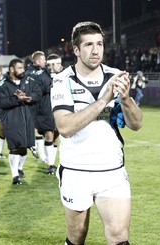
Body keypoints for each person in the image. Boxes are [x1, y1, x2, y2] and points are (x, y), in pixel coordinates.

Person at [51, 21, 143, 245]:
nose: (95, 50)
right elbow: (65, 127)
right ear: (76, 50)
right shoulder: (62, 80)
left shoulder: (115, 76)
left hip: (111, 171)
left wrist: (126, 100)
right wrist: (104, 100)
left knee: (119, 236)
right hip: (76, 170)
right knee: (77, 236)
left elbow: (136, 124)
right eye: (89, 44)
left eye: (100, 44)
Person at [0, 58, 42, 185]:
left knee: (24, 147)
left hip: (28, 117)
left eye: (23, 68)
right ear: (11, 69)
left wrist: (28, 98)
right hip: (11, 118)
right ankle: (15, 175)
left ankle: (19, 168)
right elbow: (1, 102)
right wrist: (17, 100)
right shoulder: (2, 84)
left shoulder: (29, 80)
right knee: (15, 147)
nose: (23, 70)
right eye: (20, 68)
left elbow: (38, 93)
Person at [27, 51, 57, 174]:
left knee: (43, 133)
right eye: (44, 60)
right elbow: (48, 87)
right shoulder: (40, 73)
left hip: (34, 107)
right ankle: (50, 164)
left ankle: (42, 154)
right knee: (50, 134)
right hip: (44, 107)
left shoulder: (28, 72)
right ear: (38, 61)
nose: (45, 62)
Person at [46, 53, 64, 166]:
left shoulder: (66, 75)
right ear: (50, 65)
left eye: (59, 63)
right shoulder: (44, 76)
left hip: (61, 110)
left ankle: (52, 162)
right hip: (46, 110)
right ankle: (49, 163)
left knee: (56, 136)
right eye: (56, 64)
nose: (59, 66)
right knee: (49, 135)